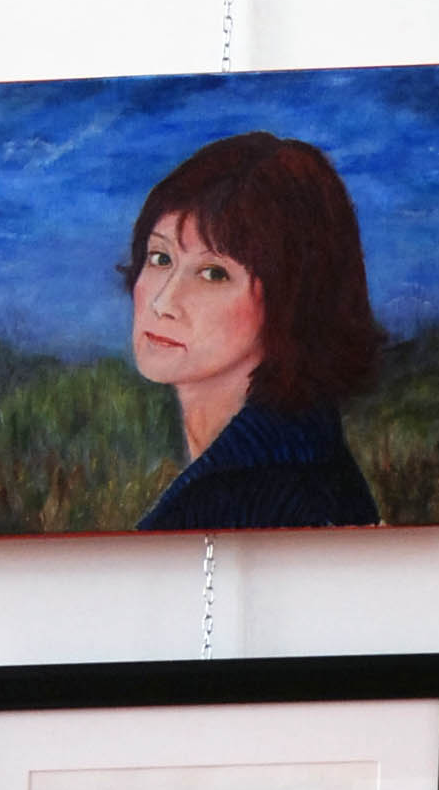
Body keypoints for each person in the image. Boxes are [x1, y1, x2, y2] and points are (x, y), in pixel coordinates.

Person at [123, 132, 385, 530]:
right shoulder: (261, 465)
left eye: (214, 274)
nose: (162, 302)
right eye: (160, 258)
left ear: (292, 299)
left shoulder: (287, 496)